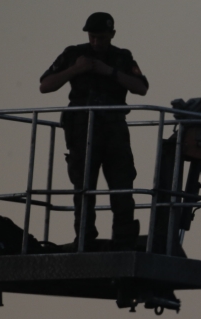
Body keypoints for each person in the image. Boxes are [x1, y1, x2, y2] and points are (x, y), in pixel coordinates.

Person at [39, 12, 149, 249]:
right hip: (81, 129)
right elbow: (45, 85)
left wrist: (109, 71)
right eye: (92, 37)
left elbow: (141, 88)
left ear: (112, 34)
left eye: (101, 37)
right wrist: (75, 70)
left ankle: (124, 241)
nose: (96, 42)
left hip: (114, 129)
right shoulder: (74, 54)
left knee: (122, 187)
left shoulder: (122, 57)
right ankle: (85, 240)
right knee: (83, 188)